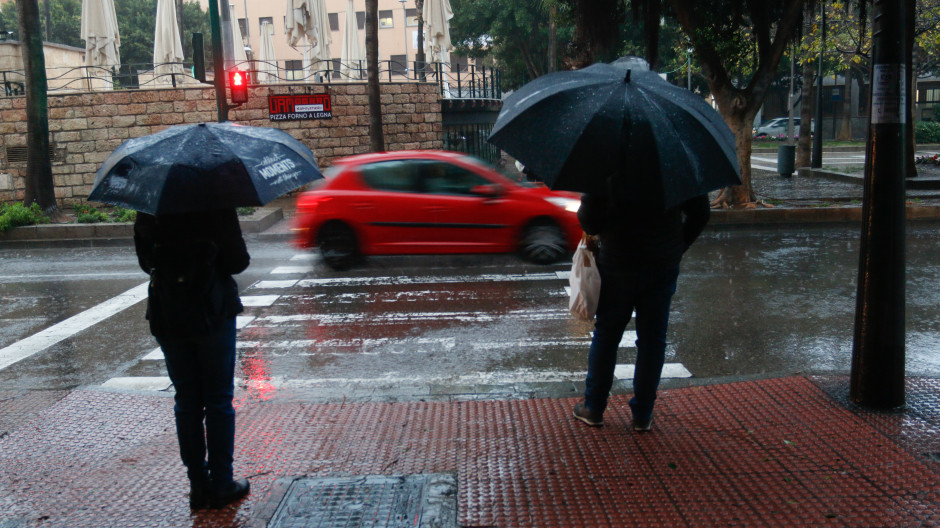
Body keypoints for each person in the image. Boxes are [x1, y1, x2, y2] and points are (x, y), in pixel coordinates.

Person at [571, 174, 710, 432]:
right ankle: (643, 413)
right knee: (653, 339)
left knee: (607, 334)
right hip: (661, 264)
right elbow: (700, 213)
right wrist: (676, 247)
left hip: (617, 263)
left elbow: (590, 221)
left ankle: (594, 407)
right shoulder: (675, 163)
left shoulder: (609, 164)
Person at [134, 208, 251, 508]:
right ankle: (222, 482)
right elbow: (238, 261)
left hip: (169, 313)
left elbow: (146, 262)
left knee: (186, 400)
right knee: (218, 399)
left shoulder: (150, 204)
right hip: (212, 311)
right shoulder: (215, 199)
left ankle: (197, 485)